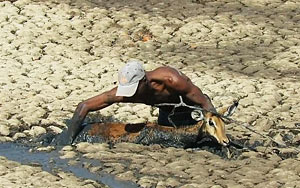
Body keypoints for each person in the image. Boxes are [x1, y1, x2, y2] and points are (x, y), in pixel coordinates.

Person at [53, 60, 216, 145]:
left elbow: (204, 102)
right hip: (167, 116)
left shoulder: (171, 80)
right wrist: (68, 138)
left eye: (134, 89)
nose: (130, 95)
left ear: (144, 81)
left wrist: (215, 124)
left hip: (191, 112)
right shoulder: (126, 93)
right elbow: (85, 106)